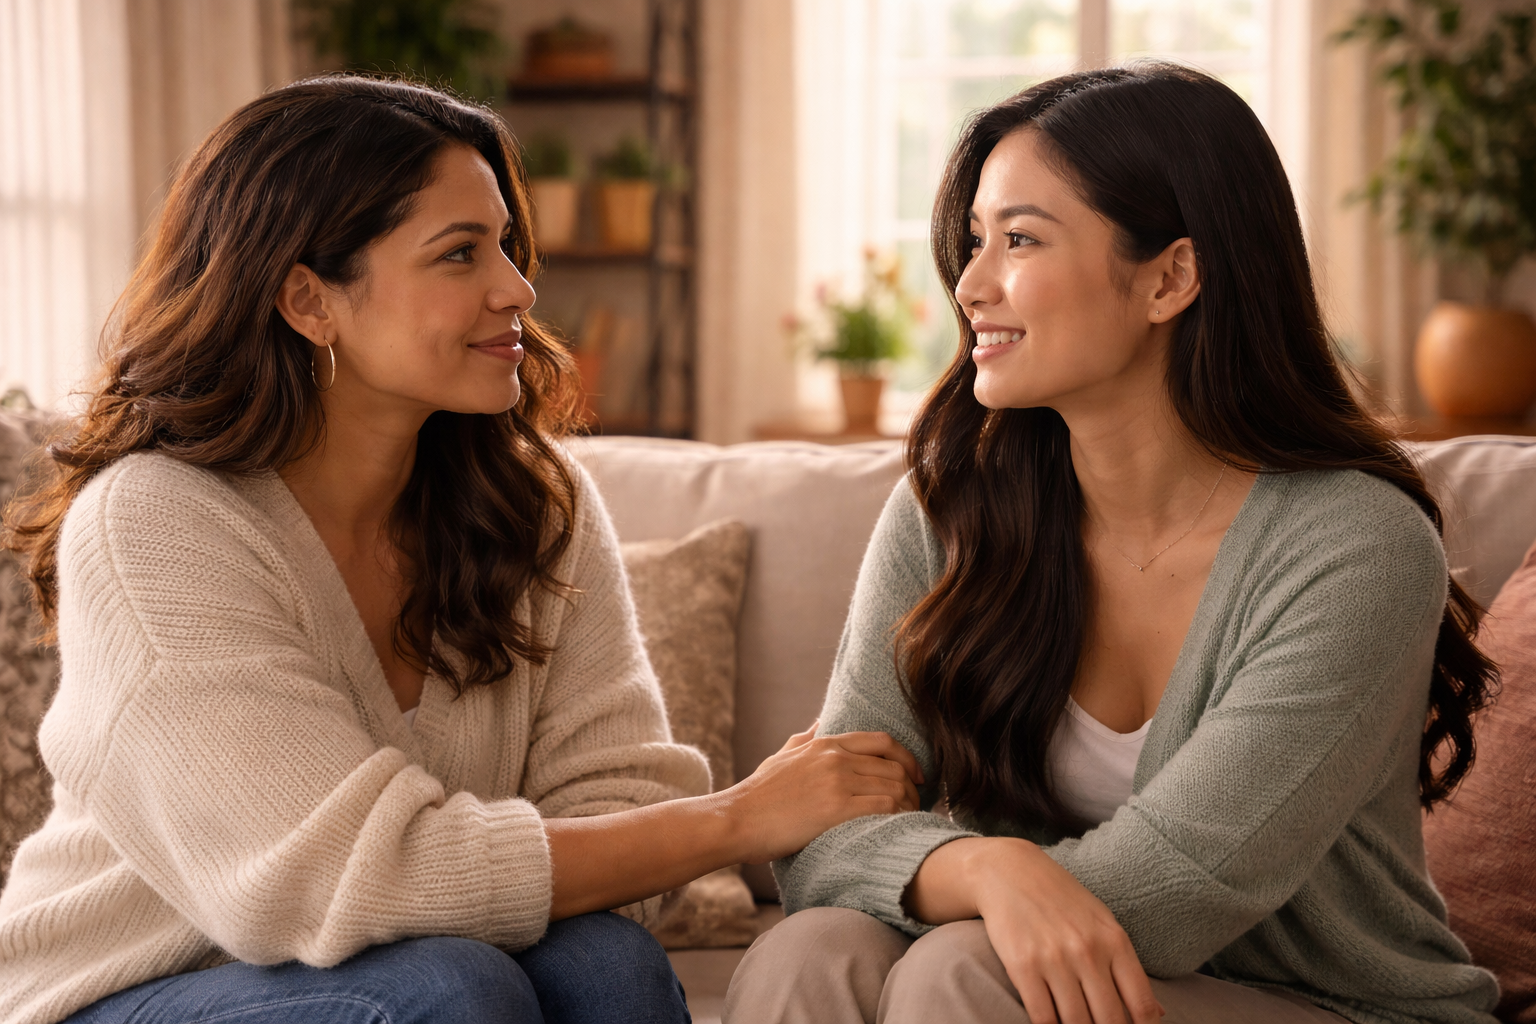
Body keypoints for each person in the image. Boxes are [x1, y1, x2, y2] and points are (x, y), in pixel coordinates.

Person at [0, 77, 922, 1024]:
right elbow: (334, 885)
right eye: (459, 255)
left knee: (607, 964)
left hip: (422, 965)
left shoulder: (531, 503)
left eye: (507, 248)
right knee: (449, 988)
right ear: (308, 300)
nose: (517, 288)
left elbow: (623, 795)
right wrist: (738, 817)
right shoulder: (157, 523)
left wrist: (497, 873)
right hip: (126, 987)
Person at [723, 64, 1501, 1024]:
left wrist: (974, 879)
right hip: (1041, 970)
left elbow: (1171, 898)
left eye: (1019, 240)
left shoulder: (1355, 546)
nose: (969, 285)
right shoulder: (953, 505)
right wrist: (989, 867)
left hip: (1327, 1005)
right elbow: (816, 839)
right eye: (974, 242)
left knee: (963, 972)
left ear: (1171, 277)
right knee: (815, 949)